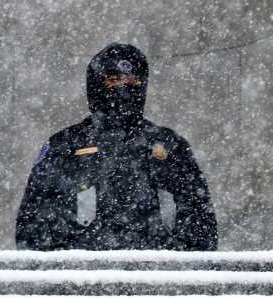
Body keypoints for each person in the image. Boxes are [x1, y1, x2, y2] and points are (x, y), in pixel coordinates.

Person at [15, 43, 217, 251]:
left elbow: (199, 219)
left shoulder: (169, 146)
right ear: (97, 84)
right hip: (80, 277)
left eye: (132, 80)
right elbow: (32, 224)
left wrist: (176, 267)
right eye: (114, 80)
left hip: (158, 276)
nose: (123, 88)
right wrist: (65, 271)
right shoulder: (65, 145)